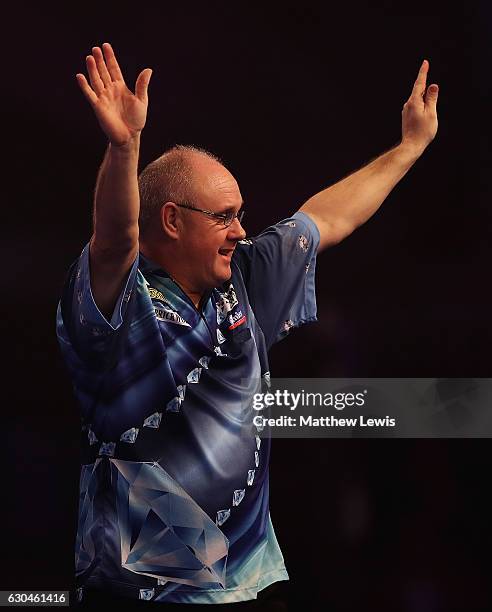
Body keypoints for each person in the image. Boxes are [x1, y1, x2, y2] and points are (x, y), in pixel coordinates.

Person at [56, 43, 438, 608]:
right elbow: (113, 244)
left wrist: (409, 148)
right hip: (136, 594)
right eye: (225, 217)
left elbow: (326, 217)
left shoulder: (242, 281)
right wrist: (124, 147)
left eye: (242, 214)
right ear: (171, 220)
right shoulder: (119, 309)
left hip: (239, 587)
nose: (241, 230)